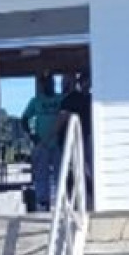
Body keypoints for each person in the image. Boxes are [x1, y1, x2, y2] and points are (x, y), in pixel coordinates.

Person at [22, 73, 65, 210]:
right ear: (42, 85)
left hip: (58, 143)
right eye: (46, 82)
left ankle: (61, 201)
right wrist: (32, 135)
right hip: (42, 143)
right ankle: (43, 202)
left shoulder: (61, 98)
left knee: (61, 173)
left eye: (51, 82)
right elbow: (24, 119)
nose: (49, 85)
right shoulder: (36, 101)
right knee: (41, 174)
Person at [59, 71, 93, 204]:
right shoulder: (71, 99)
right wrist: (51, 137)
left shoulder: (93, 99)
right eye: (84, 81)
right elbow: (62, 118)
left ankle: (89, 199)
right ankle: (80, 200)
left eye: (88, 81)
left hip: (90, 138)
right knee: (80, 169)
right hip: (75, 140)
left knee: (89, 168)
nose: (87, 84)